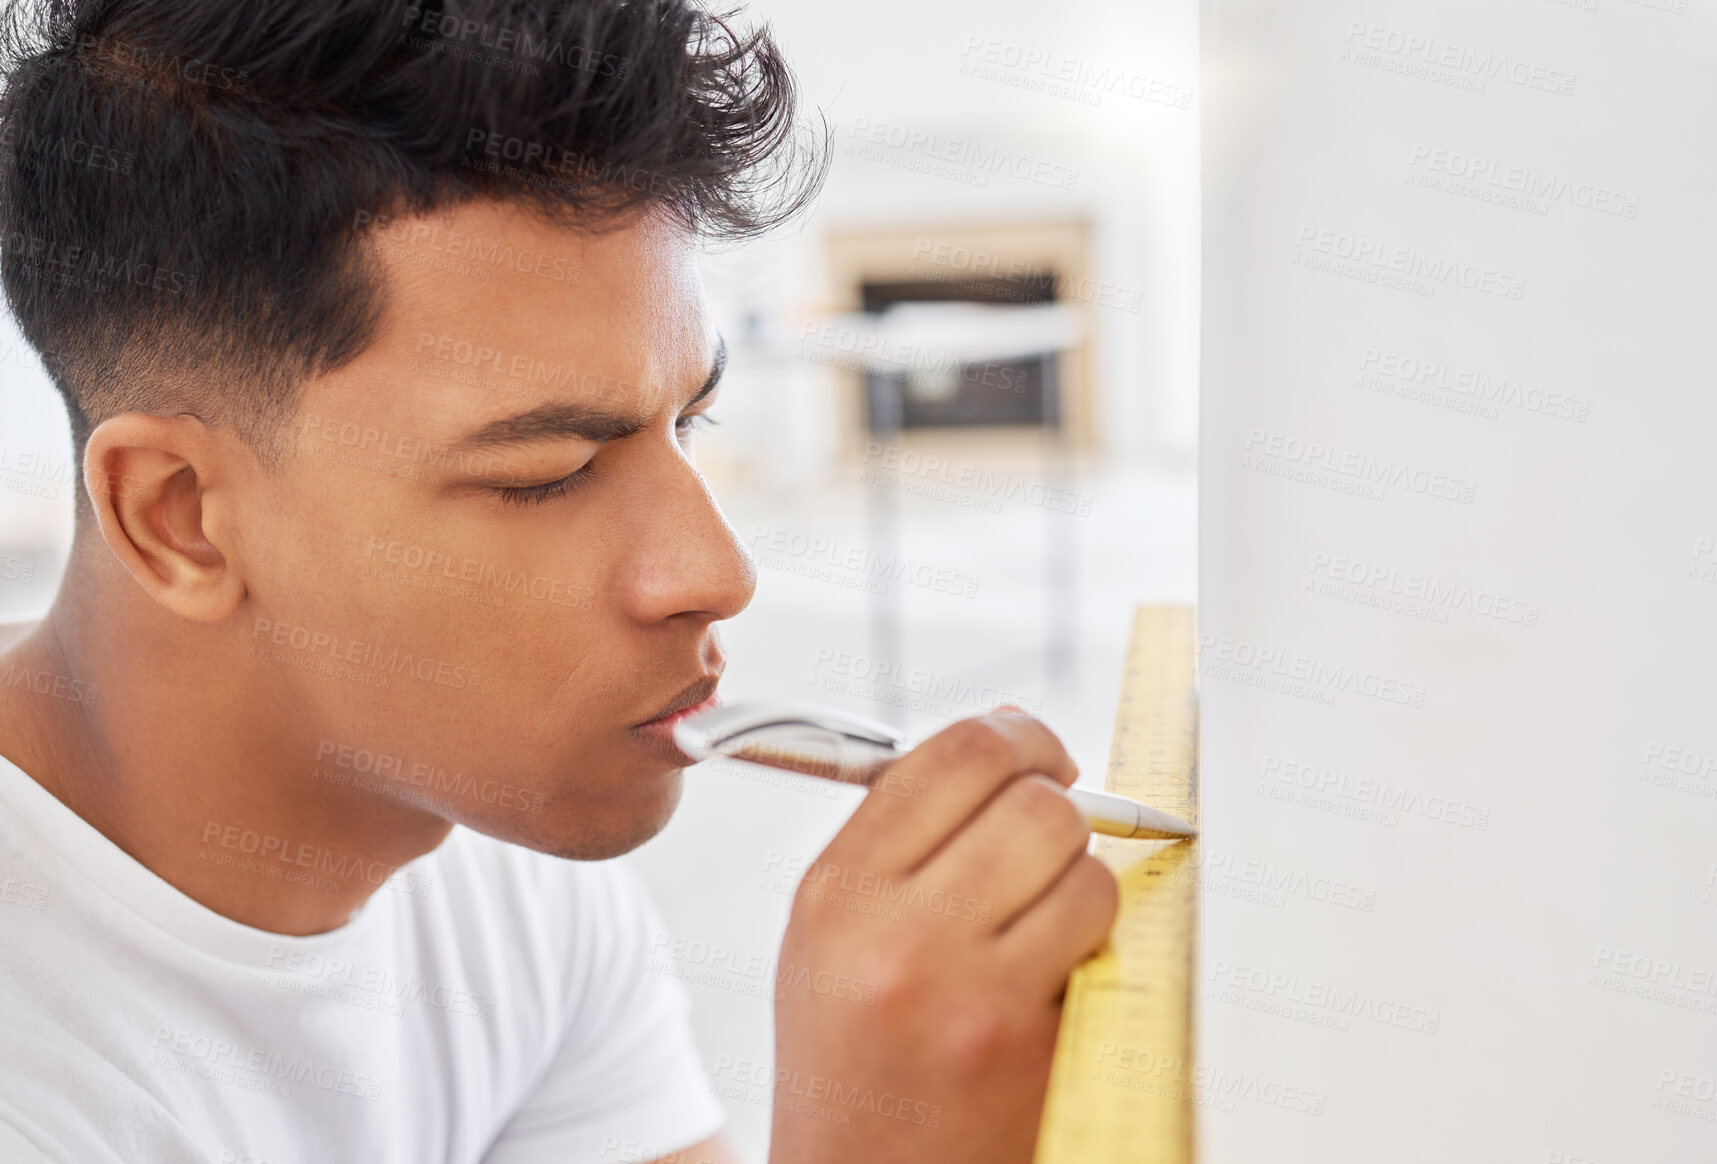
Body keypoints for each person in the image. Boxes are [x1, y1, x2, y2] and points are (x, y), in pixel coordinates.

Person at [0, 1, 1120, 1161]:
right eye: (551, 474)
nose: (718, 574)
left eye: (692, 419)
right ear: (177, 517)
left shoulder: (488, 834)